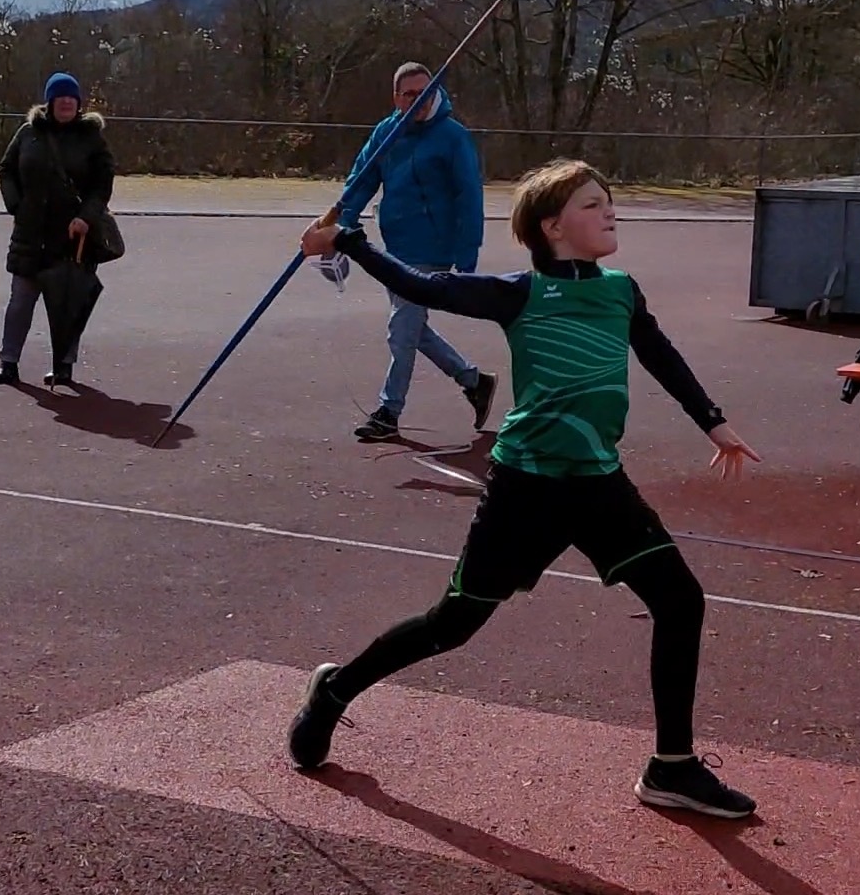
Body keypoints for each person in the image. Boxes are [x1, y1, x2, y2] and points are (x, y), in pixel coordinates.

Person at [290, 158, 762, 819]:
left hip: (599, 485)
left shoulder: (621, 292)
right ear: (552, 227)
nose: (609, 211)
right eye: (592, 204)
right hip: (525, 489)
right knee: (451, 626)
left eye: (608, 200)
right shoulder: (520, 293)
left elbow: (659, 353)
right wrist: (348, 240)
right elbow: (422, 286)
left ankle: (672, 767)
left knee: (680, 600)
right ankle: (335, 690)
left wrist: (713, 421)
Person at [327, 61, 496, 439]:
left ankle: (389, 412)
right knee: (413, 328)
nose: (419, 101)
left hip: (433, 248)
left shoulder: (452, 136)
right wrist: (343, 221)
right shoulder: (386, 132)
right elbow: (362, 178)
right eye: (410, 94)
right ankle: (473, 380)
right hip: (395, 247)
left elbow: (469, 195)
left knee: (401, 329)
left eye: (426, 92)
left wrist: (467, 252)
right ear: (396, 98)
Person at [0, 72, 115, 387]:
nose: (66, 103)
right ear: (50, 101)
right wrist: (16, 204)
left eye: (72, 98)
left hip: (71, 237)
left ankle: (63, 367)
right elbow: (6, 169)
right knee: (20, 302)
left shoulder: (91, 138)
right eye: (60, 98)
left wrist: (86, 217)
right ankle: (8, 363)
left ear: (79, 103)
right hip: (30, 235)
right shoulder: (28, 133)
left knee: (66, 306)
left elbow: (102, 185)